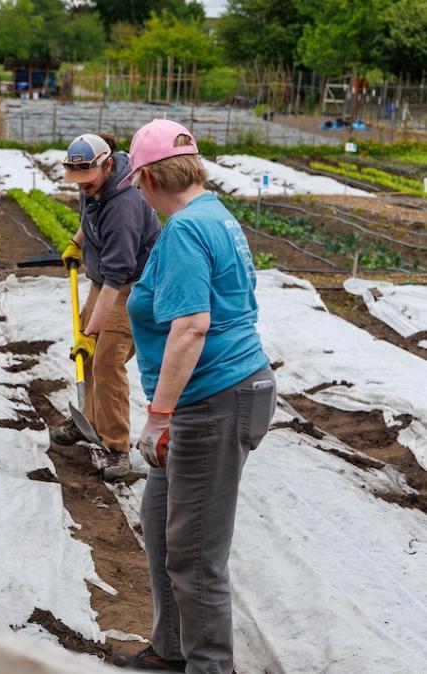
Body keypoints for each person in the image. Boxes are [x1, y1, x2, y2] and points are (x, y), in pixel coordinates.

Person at [115, 119, 276, 673]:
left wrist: (157, 417)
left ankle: (210, 666)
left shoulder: (185, 229)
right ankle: (172, 650)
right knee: (161, 525)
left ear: (154, 177)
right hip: (211, 397)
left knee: (196, 552)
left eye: (138, 181)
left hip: (214, 401)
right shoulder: (213, 214)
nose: (137, 191)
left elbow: (192, 326)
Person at [52, 133, 161, 481]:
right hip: (105, 282)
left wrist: (90, 331)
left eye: (87, 178)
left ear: (108, 164)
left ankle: (116, 447)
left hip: (130, 287)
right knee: (86, 355)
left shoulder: (125, 207)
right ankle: (89, 419)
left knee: (107, 361)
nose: (81, 185)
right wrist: (75, 243)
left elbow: (118, 279)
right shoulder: (94, 187)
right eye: (77, 178)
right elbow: (88, 217)